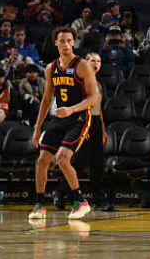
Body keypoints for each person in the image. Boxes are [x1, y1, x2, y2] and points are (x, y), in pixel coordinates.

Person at [28, 26, 98, 220]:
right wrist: (37, 128)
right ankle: (39, 206)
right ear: (56, 43)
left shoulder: (83, 66)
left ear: (73, 42)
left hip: (79, 118)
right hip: (59, 118)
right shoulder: (51, 68)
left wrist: (72, 109)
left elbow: (93, 98)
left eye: (69, 40)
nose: (66, 44)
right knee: (42, 161)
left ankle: (80, 202)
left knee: (62, 158)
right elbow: (46, 99)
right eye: (62, 41)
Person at [53, 52, 111, 211]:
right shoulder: (79, 81)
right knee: (80, 162)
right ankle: (60, 192)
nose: (96, 63)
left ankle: (99, 200)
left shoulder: (98, 83)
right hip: (83, 122)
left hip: (96, 123)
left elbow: (99, 108)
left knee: (97, 163)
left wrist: (103, 129)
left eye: (98, 61)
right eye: (92, 60)